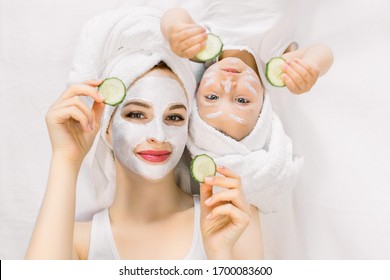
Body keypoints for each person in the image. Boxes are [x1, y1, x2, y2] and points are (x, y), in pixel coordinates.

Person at [25, 7, 262, 260]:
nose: (158, 135)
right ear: (106, 127)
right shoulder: (76, 241)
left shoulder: (231, 218)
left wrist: (220, 254)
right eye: (136, 114)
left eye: (174, 117)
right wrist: (66, 159)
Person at [160, 7, 334, 212]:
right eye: (242, 100)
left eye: (213, 97)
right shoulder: (274, 67)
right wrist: (309, 67)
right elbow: (324, 52)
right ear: (263, 108)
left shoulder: (201, 51)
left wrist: (175, 31)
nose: (228, 85)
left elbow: (175, 13)